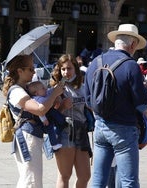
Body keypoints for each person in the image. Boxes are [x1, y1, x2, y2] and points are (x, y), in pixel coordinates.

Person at [84, 23, 147, 187]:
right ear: (133, 44)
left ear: (116, 42)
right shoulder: (131, 65)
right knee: (128, 181)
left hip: (100, 126)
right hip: (124, 129)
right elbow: (142, 103)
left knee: (98, 180)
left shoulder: (95, 63)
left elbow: (88, 100)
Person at [2, 54, 64, 188]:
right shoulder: (17, 92)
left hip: (32, 136)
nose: (34, 71)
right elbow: (39, 110)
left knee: (30, 180)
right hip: (27, 137)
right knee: (31, 182)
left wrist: (55, 98)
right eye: (30, 69)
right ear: (20, 71)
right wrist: (54, 94)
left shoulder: (26, 89)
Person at [50, 54, 92, 188]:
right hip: (65, 132)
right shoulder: (57, 89)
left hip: (81, 132)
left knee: (85, 175)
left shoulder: (83, 87)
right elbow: (49, 115)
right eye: (63, 69)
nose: (66, 72)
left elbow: (90, 106)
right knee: (64, 175)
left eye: (69, 68)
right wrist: (62, 106)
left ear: (76, 69)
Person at [27, 80, 64, 151]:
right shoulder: (38, 99)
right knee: (50, 129)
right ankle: (54, 144)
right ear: (36, 93)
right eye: (43, 88)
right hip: (45, 118)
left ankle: (61, 124)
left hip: (50, 114)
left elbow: (51, 91)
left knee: (56, 122)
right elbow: (40, 112)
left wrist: (56, 88)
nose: (45, 89)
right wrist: (44, 119)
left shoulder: (44, 94)